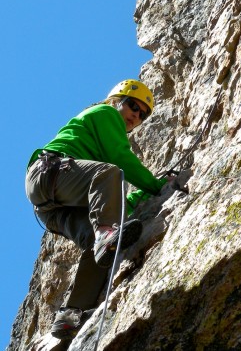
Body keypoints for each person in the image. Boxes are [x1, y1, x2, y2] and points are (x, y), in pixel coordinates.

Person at [25, 79, 171, 339]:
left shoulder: (97, 151)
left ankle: (69, 317)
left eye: (142, 115)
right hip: (52, 172)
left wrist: (136, 198)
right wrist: (155, 186)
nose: (135, 115)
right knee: (109, 173)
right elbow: (119, 158)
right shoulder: (106, 113)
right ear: (117, 101)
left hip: (51, 206)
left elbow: (110, 203)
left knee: (101, 247)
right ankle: (105, 234)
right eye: (132, 106)